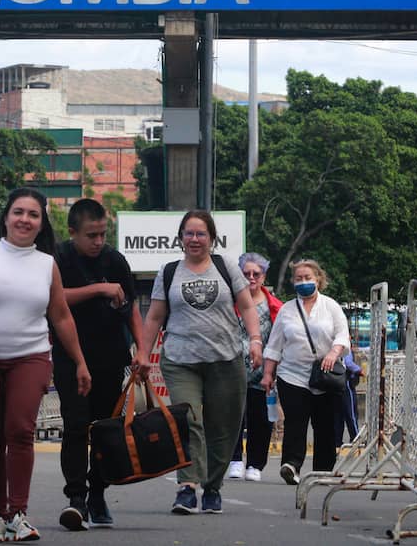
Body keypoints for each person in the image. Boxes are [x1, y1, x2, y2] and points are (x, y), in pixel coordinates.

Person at [0, 186, 92, 543]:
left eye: (33, 215)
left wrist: (79, 362)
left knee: (19, 430)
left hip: (32, 357)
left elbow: (61, 317)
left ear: (41, 224)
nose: (24, 220)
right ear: (6, 217)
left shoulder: (47, 264)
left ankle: (19, 514)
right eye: (18, 212)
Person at [141, 210, 263, 515]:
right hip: (181, 360)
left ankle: (212, 488)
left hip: (225, 359)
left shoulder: (225, 267)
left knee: (224, 427)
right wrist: (143, 352)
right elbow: (155, 316)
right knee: (188, 420)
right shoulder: (169, 271)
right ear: (181, 238)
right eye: (189, 233)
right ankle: (187, 487)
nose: (195, 239)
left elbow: (247, 305)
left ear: (212, 238)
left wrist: (255, 339)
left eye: (201, 234)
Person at [53, 198, 149, 531]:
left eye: (102, 234)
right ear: (72, 232)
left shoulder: (115, 260)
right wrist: (97, 289)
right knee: (77, 425)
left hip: (111, 356)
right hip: (69, 356)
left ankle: (98, 493)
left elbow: (133, 309)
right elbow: (53, 297)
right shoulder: (59, 258)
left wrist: (142, 350)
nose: (97, 242)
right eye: (90, 235)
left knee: (106, 430)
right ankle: (76, 499)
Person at [260, 259, 351, 485]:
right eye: (299, 279)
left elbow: (342, 335)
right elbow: (274, 344)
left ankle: (323, 470)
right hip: (292, 374)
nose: (303, 282)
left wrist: (333, 353)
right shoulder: (287, 310)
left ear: (318, 279)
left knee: (325, 425)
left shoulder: (331, 307)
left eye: (308, 278)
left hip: (325, 375)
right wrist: (268, 374)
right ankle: (291, 465)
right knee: (295, 422)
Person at [226, 252, 283, 482]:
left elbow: (279, 339)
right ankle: (235, 459)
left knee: (261, 417)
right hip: (232, 369)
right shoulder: (230, 302)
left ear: (263, 276)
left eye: (255, 273)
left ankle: (256, 464)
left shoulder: (274, 306)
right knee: (233, 416)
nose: (251, 277)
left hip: (263, 371)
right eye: (246, 273)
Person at [334, 349, 362, 446]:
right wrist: (359, 370)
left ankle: (337, 440)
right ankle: (355, 437)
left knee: (338, 414)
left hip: (335, 381)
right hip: (346, 382)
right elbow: (348, 363)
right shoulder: (345, 347)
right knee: (351, 413)